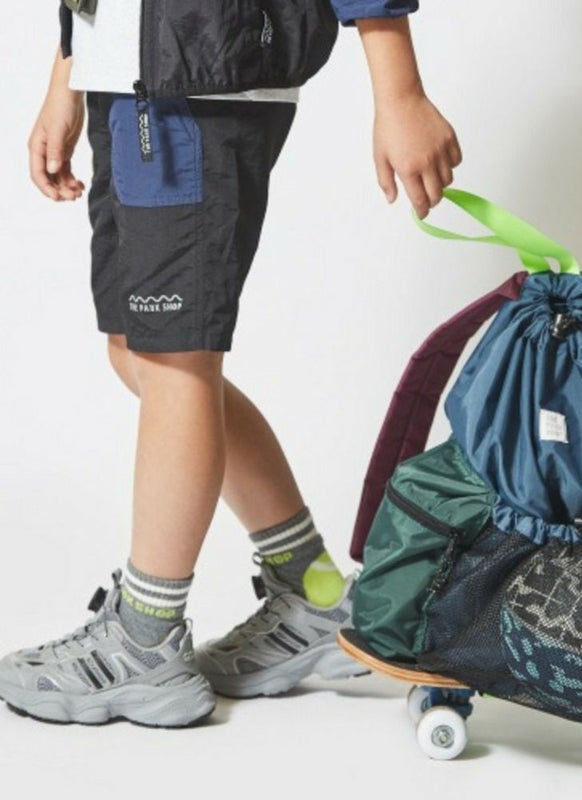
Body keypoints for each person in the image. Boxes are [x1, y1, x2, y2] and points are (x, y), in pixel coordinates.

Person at [0, 0, 461, 726]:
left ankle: (145, 639)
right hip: (127, 76)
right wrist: (69, 75)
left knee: (175, 359)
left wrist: (399, 92)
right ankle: (313, 594)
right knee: (138, 352)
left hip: (197, 79)